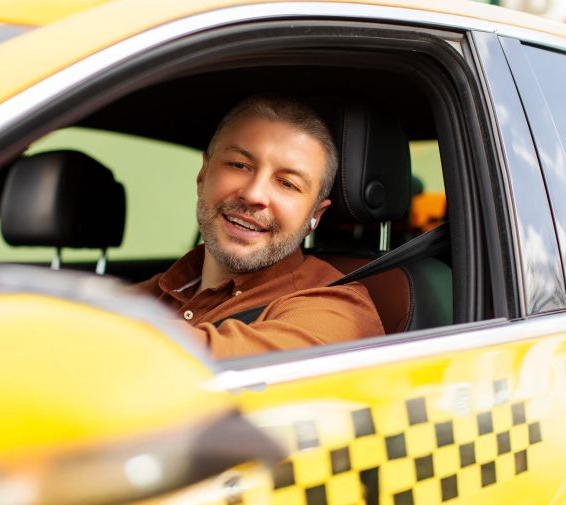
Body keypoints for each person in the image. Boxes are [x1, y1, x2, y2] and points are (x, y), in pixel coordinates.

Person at [137, 95, 383, 359]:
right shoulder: (164, 287)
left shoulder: (337, 310)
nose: (254, 194)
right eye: (239, 165)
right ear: (202, 176)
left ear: (315, 216)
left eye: (287, 183)